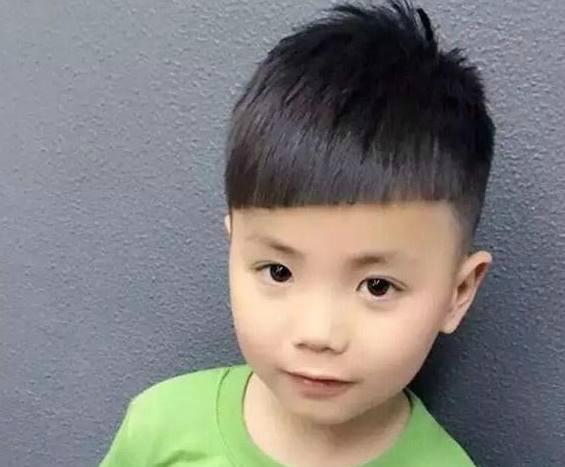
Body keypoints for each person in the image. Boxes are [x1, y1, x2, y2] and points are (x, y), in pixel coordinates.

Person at [100, 1, 496, 465]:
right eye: (279, 272)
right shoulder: (160, 429)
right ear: (233, 249)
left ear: (457, 293)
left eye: (378, 285)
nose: (317, 333)